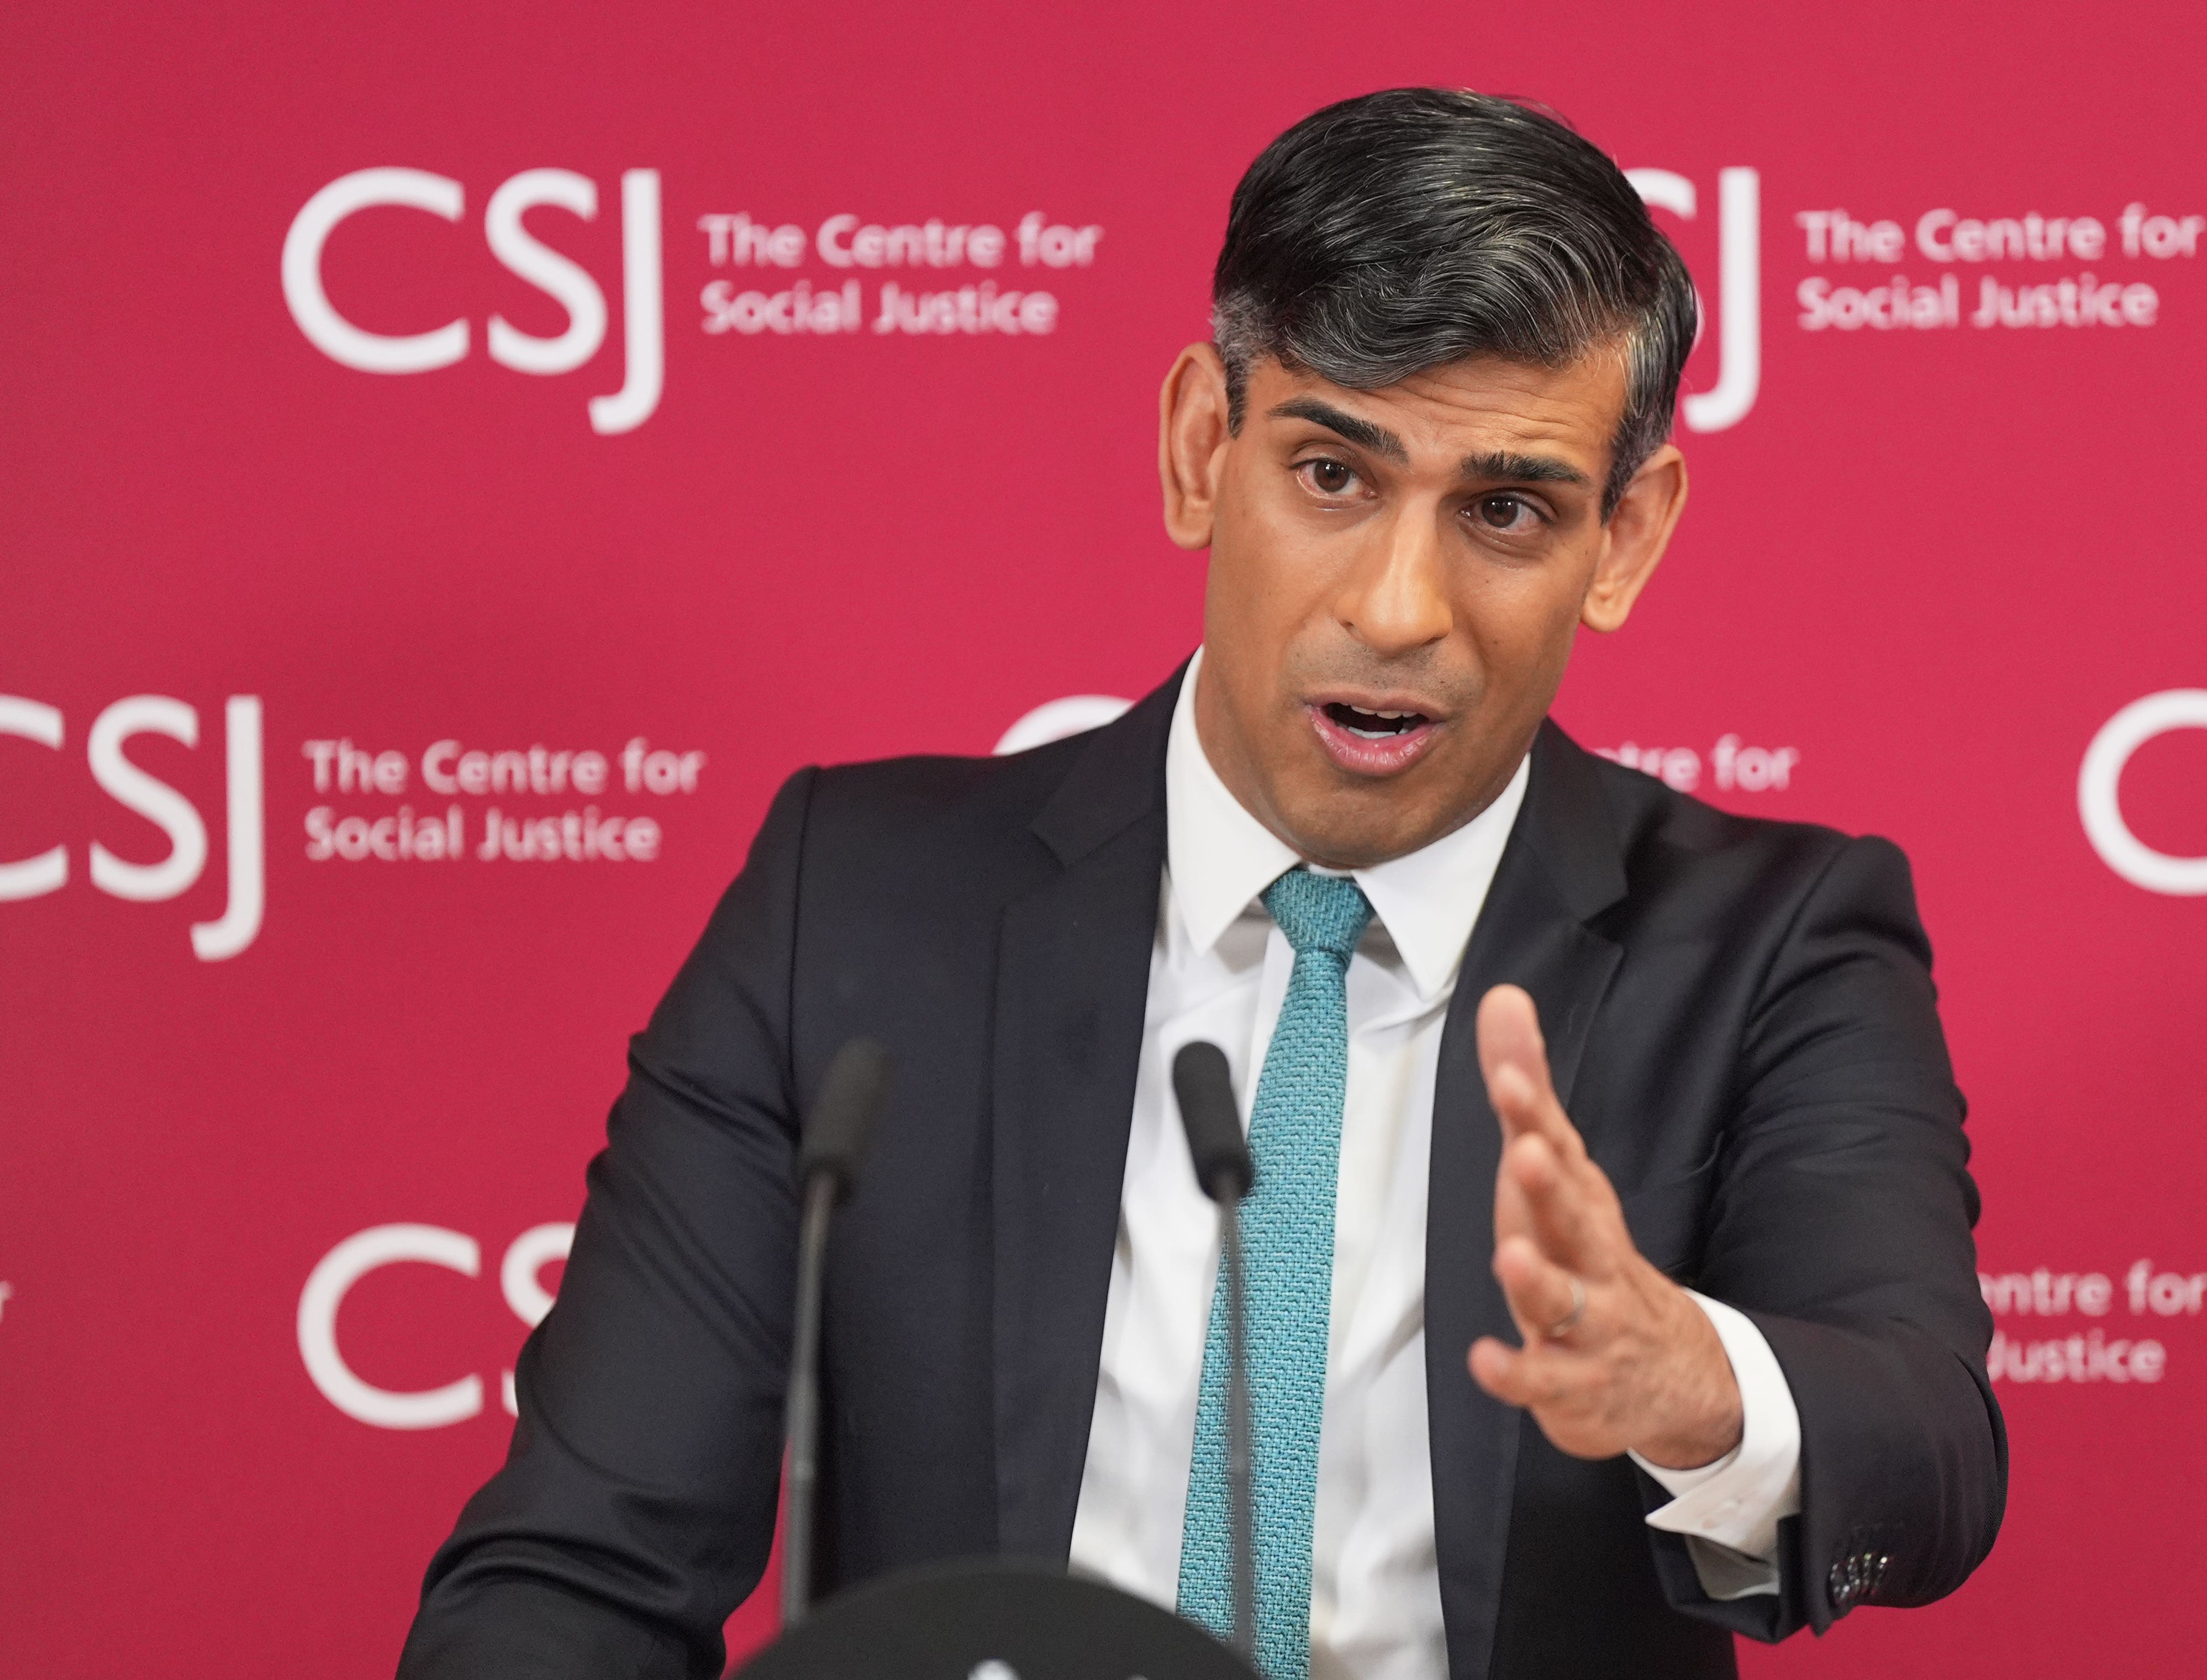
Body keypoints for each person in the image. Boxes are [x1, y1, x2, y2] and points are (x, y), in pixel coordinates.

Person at [399, 88, 2004, 1680]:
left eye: (1504, 510)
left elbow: (1924, 1444)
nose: (1395, 605)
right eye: (1330, 475)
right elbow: (579, 1565)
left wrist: (1692, 1382)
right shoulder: (857, 906)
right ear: (1197, 451)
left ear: (1624, 538)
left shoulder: (1768, 937)